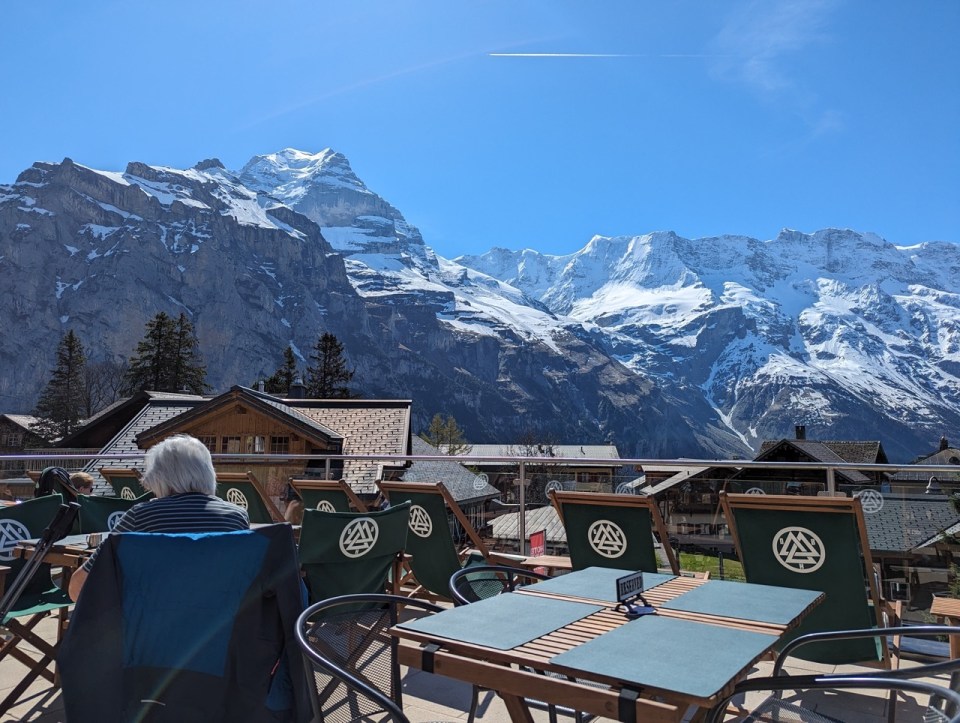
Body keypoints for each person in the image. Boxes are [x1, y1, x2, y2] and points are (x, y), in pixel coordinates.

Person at [68, 434, 249, 601]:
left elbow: (78, 588)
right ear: (209, 473)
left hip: (152, 631)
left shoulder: (142, 515)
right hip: (222, 630)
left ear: (158, 478)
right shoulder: (237, 517)